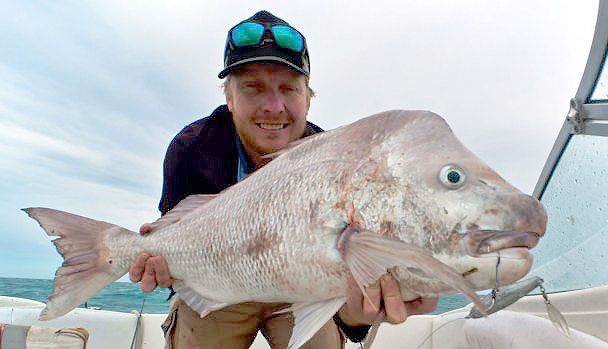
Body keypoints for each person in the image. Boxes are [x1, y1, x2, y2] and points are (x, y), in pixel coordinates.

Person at [129, 10, 438, 348]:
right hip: (221, 289)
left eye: (289, 89)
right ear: (229, 98)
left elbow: (346, 284)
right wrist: (158, 265)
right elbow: (174, 237)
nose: (274, 106)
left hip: (303, 289)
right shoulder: (191, 148)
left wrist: (357, 316)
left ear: (308, 98)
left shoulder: (335, 160)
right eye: (253, 88)